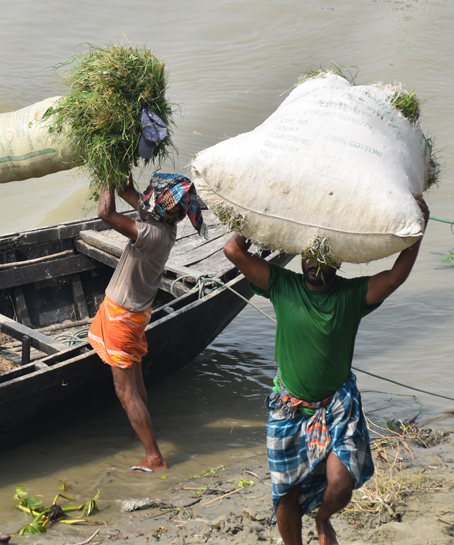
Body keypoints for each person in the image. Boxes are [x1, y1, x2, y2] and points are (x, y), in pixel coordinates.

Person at [223, 194, 430, 545]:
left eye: (324, 260)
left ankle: (323, 519)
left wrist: (418, 230)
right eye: (310, 258)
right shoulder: (281, 285)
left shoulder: (351, 296)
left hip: (336, 405)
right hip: (289, 407)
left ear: (338, 262)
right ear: (303, 256)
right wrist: (256, 215)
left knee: (341, 481)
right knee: (285, 494)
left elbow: (394, 277)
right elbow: (233, 252)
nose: (315, 266)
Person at [87, 173, 208, 473]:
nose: (148, 196)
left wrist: (104, 178)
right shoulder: (164, 223)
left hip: (123, 317)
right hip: (134, 314)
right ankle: (138, 428)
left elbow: (106, 214)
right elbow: (128, 189)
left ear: (166, 207)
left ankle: (154, 457)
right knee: (136, 380)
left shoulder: (151, 233)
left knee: (124, 391)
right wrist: (115, 162)